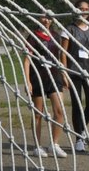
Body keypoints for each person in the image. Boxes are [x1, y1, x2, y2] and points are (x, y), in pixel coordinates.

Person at [23, 13, 70, 158]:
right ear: (39, 18)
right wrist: (27, 81)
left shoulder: (56, 36)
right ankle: (37, 146)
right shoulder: (32, 36)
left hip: (54, 78)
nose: (46, 20)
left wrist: (64, 74)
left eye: (49, 18)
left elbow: (59, 58)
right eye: (44, 17)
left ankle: (54, 144)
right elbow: (27, 60)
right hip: (38, 78)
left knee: (60, 111)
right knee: (38, 113)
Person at [62, 0, 89, 153]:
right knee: (77, 104)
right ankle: (79, 139)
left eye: (87, 9)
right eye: (81, 9)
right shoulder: (69, 29)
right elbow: (63, 52)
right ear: (76, 10)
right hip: (74, 72)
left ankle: (81, 130)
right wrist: (64, 72)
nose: (84, 11)